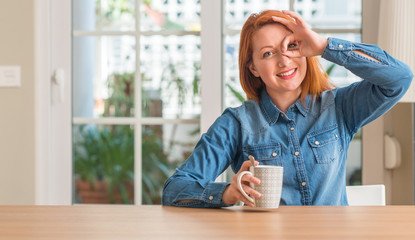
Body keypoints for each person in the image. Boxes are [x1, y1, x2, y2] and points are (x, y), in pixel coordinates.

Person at [162, 10, 413, 207]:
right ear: (253, 68)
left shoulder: (339, 107)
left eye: (291, 46)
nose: (284, 60)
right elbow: (175, 189)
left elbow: (399, 78)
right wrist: (228, 193)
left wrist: (324, 46)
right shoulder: (236, 124)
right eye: (268, 53)